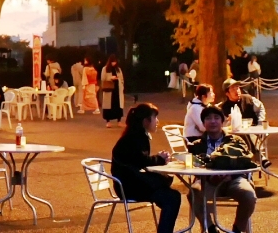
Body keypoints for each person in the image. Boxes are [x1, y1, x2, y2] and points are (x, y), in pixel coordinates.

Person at [111, 103, 181, 233]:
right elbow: (142, 161)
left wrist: (158, 158)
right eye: (155, 118)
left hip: (130, 183)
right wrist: (160, 158)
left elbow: (140, 161)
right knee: (172, 197)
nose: (157, 121)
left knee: (170, 196)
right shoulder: (134, 138)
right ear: (145, 121)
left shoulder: (134, 135)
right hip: (129, 187)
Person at [186, 105, 257, 233]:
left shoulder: (236, 140)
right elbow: (191, 166)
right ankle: (211, 228)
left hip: (234, 180)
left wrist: (231, 175)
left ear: (222, 121)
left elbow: (246, 162)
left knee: (249, 195)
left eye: (216, 118)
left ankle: (237, 229)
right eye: (208, 118)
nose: (212, 121)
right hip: (207, 182)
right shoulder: (197, 145)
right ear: (203, 123)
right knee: (193, 192)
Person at [101, 54, 125, 126]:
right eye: (112, 62)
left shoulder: (118, 69)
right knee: (108, 105)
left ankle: (119, 121)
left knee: (118, 105)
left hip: (117, 89)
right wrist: (110, 78)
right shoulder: (105, 69)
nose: (114, 63)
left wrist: (121, 84)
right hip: (109, 89)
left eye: (115, 62)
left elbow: (122, 78)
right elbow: (103, 78)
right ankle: (108, 122)